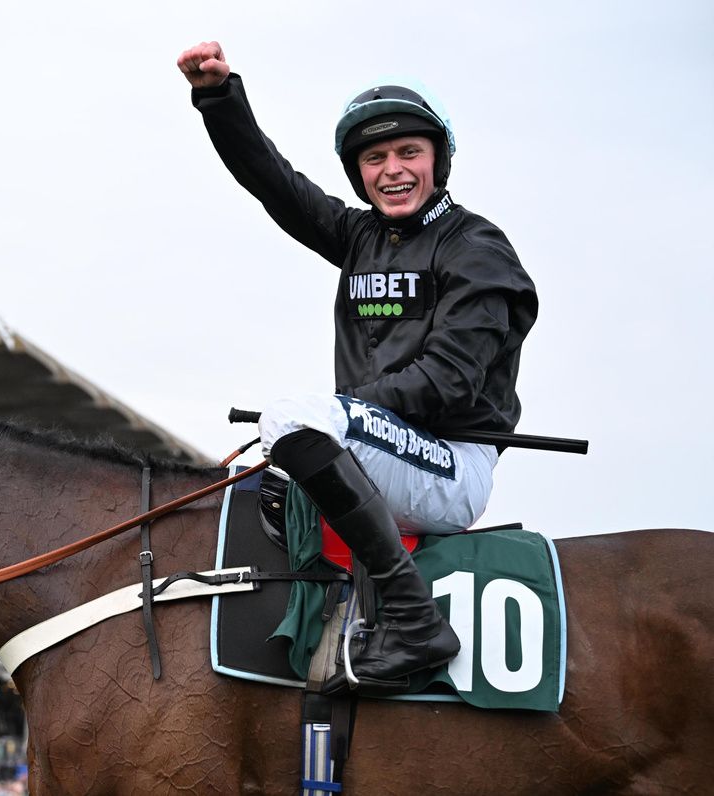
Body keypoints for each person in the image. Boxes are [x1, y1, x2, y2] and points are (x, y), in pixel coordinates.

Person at [177, 41, 537, 693]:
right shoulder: (363, 238)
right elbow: (276, 186)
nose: (392, 170)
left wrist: (345, 414)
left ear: (438, 160)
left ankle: (413, 622)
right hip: (387, 447)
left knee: (291, 416)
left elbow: (446, 382)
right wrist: (219, 98)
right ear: (358, 171)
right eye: (375, 158)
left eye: (408, 153)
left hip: (451, 462)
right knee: (253, 470)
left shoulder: (479, 251)